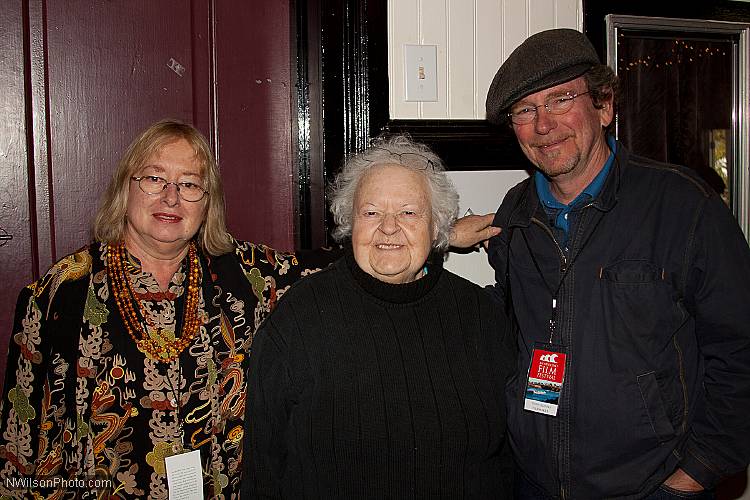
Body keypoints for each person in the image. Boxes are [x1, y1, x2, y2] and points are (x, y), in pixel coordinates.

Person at [0, 119, 335, 498]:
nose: (171, 198)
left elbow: (337, 270)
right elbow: (19, 441)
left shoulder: (247, 277)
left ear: (208, 202)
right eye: (155, 179)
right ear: (126, 188)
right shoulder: (63, 293)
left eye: (190, 184)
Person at [480, 28, 750, 498]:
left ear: (604, 106)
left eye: (561, 100)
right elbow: (508, 331)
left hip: (649, 487)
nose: (544, 125)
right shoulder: (515, 215)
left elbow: (741, 352)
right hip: (533, 483)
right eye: (525, 110)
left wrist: (694, 476)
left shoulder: (684, 208)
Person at [242, 135, 516, 498]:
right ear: (349, 224)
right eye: (370, 212)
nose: (388, 227)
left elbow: (511, 459)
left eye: (408, 212)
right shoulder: (300, 318)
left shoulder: (481, 317)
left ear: (437, 228)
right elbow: (264, 466)